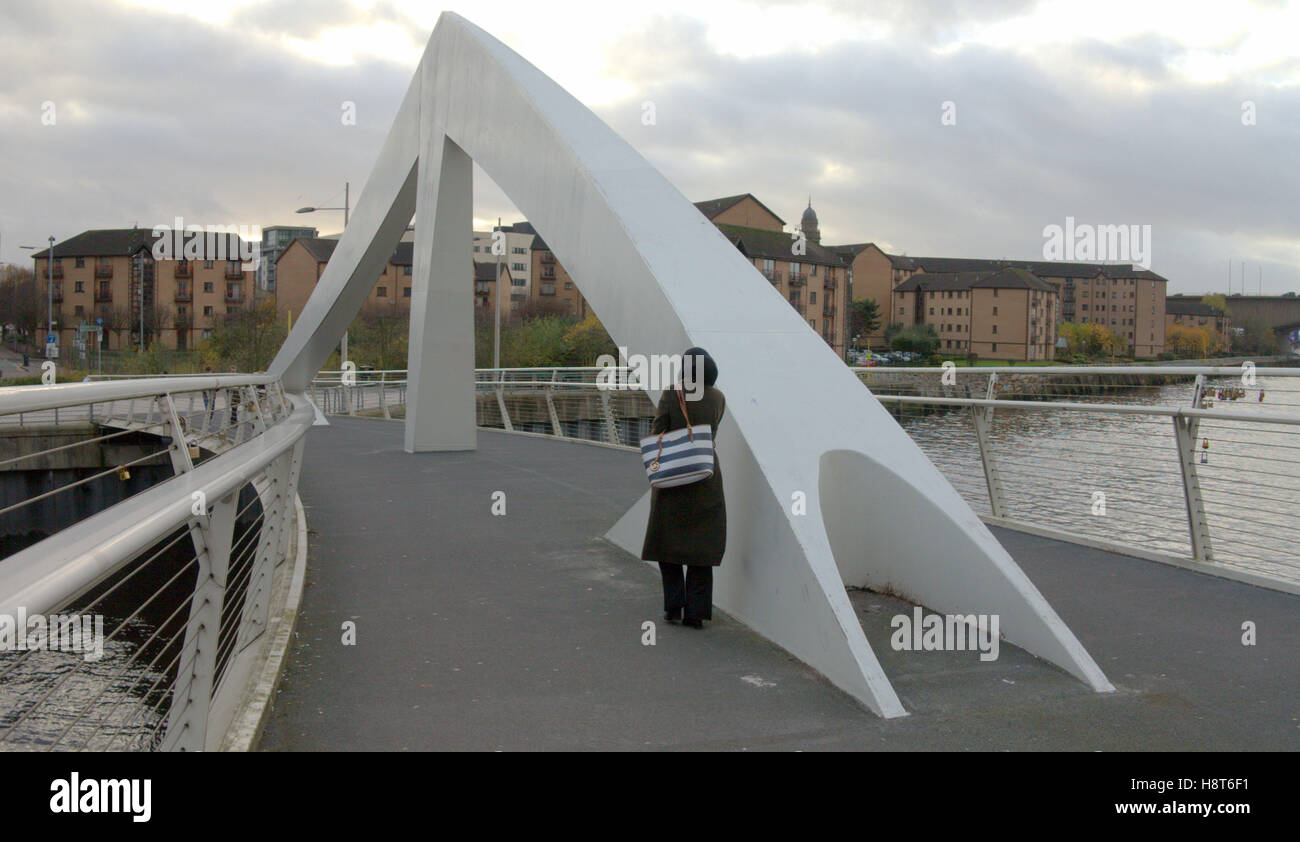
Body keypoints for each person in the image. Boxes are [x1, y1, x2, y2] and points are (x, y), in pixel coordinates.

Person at [640, 347, 726, 629]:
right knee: (702, 547)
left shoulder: (671, 394)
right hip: (705, 476)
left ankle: (673, 606)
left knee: (669, 544)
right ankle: (696, 613)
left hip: (674, 477)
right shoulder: (717, 397)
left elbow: (658, 431)